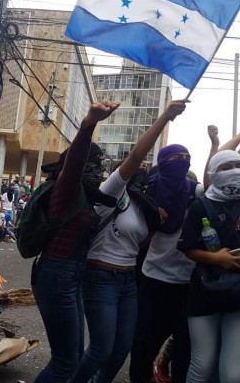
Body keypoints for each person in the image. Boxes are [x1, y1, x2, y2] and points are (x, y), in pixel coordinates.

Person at [68, 100, 188, 383]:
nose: (142, 170)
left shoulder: (147, 207)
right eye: (138, 169)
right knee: (100, 350)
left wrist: (156, 219)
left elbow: (143, 244)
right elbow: (135, 155)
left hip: (129, 282)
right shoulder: (112, 190)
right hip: (101, 277)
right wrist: (165, 117)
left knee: (122, 349)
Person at [32, 101, 119, 382]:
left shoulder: (83, 195)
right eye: (94, 165)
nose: (98, 170)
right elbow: (75, 162)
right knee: (65, 363)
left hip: (70, 275)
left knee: (72, 357)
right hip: (58, 275)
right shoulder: (66, 188)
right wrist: (88, 124)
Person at [130, 143, 205, 383]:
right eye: (176, 157)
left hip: (189, 282)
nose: (183, 161)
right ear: (163, 163)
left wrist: (215, 144)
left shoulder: (195, 192)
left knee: (184, 349)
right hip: (154, 279)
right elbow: (135, 236)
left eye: (187, 157)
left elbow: (216, 180)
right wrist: (154, 220)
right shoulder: (149, 193)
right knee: (143, 345)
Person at [177, 150, 240, 383]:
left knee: (233, 374)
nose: (234, 170)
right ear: (213, 172)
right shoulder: (202, 205)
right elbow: (186, 247)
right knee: (202, 365)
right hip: (204, 292)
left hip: (238, 296)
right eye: (226, 167)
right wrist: (216, 259)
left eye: (237, 165)